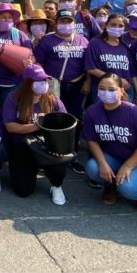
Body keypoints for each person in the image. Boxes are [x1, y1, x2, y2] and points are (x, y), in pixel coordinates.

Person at [83, 74, 137, 212]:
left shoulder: (134, 112)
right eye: (102, 88)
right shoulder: (92, 112)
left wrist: (128, 166)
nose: (106, 93)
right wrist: (103, 164)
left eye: (112, 89)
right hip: (113, 157)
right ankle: (111, 185)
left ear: (121, 91)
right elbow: (91, 140)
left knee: (129, 189)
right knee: (92, 167)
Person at [2, 65, 70, 204]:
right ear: (27, 82)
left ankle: (56, 185)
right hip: (21, 145)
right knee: (23, 190)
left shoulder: (53, 100)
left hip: (46, 144)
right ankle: (31, 168)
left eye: (45, 81)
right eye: (38, 81)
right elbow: (10, 127)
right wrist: (37, 125)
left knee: (59, 163)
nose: (43, 84)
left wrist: (49, 123)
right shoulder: (14, 98)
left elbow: (64, 123)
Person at [33, 10, 90, 174]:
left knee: (74, 120)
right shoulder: (46, 41)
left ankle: (72, 154)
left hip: (77, 86)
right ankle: (48, 152)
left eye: (69, 21)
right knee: (50, 118)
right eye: (62, 21)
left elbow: (88, 65)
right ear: (56, 23)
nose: (65, 24)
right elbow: (38, 64)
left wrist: (88, 80)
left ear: (74, 22)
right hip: (53, 85)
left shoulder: (83, 40)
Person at [86, 14, 137, 104]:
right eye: (113, 24)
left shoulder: (125, 46)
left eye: (120, 26)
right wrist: (117, 80)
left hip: (125, 91)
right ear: (106, 25)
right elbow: (91, 69)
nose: (116, 28)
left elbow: (132, 73)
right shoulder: (95, 43)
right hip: (104, 90)